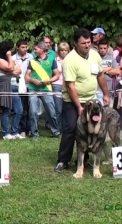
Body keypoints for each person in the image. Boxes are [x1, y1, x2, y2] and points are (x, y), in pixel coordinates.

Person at [54, 28, 109, 173]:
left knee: (91, 130)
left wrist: (106, 94)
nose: (87, 45)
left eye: (89, 42)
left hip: (92, 100)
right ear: (75, 44)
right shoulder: (70, 60)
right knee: (71, 128)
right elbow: (70, 86)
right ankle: (62, 160)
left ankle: (84, 161)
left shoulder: (95, 55)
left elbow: (100, 75)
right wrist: (79, 107)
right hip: (72, 101)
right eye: (83, 43)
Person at [25, 41, 60, 138]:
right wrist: (32, 80)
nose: (34, 51)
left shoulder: (52, 60)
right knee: (33, 112)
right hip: (33, 89)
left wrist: (48, 81)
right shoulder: (32, 61)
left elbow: (57, 75)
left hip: (47, 89)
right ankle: (34, 134)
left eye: (36, 49)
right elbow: (26, 76)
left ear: (42, 49)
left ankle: (55, 132)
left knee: (51, 112)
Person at [0, 41, 23, 140]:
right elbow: (10, 68)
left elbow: (19, 70)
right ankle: (6, 133)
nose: (11, 51)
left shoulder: (8, 60)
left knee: (18, 110)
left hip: (14, 85)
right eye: (10, 50)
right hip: (4, 85)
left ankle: (15, 131)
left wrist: (12, 70)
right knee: (7, 110)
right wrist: (10, 58)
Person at [53, 42, 70, 131]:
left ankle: (65, 128)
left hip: (68, 85)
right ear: (59, 51)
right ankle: (57, 129)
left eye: (65, 50)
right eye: (62, 50)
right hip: (57, 84)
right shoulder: (55, 60)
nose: (63, 52)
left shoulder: (71, 60)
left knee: (66, 108)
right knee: (58, 109)